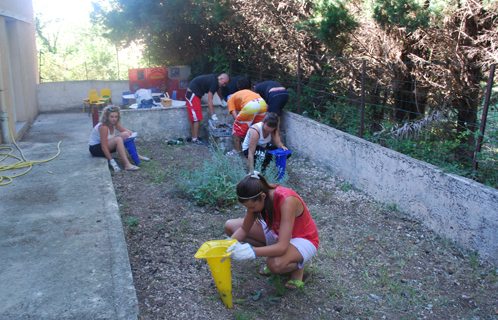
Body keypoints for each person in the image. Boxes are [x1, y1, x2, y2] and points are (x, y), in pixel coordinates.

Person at [224, 172, 319, 290]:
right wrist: (227, 245)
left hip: (303, 238)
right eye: (248, 208)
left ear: (263, 196)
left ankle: (298, 267)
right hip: (278, 232)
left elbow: (282, 247)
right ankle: (283, 255)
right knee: (230, 227)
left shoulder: (287, 200)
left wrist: (250, 252)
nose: (251, 210)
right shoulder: (256, 195)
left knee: (274, 264)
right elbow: (244, 229)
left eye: (252, 207)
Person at [89, 105, 149, 172]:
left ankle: (137, 155)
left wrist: (133, 134)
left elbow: (127, 131)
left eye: (116, 117)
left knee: (126, 134)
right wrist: (112, 162)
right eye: (111, 117)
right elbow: (104, 147)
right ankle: (127, 165)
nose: (114, 119)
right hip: (96, 149)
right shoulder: (103, 127)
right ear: (107, 117)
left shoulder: (114, 123)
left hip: (106, 145)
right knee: (118, 139)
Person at [185, 73, 230, 145]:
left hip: (191, 93)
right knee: (196, 118)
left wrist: (222, 100)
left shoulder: (215, 80)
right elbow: (210, 100)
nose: (224, 85)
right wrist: (213, 115)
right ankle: (194, 139)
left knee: (194, 117)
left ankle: (194, 137)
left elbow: (218, 90)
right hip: (193, 94)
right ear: (221, 78)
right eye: (224, 83)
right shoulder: (214, 83)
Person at [226, 89, 267, 156]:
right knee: (256, 128)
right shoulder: (241, 94)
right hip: (262, 103)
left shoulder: (230, 99)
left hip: (251, 105)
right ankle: (257, 149)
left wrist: (240, 130)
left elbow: (235, 117)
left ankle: (236, 151)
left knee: (236, 127)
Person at [252, 80, 289, 145]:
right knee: (277, 116)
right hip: (285, 94)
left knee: (273, 120)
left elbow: (258, 103)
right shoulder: (264, 85)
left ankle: (277, 144)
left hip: (274, 95)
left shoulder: (256, 89)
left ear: (253, 87)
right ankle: (277, 141)